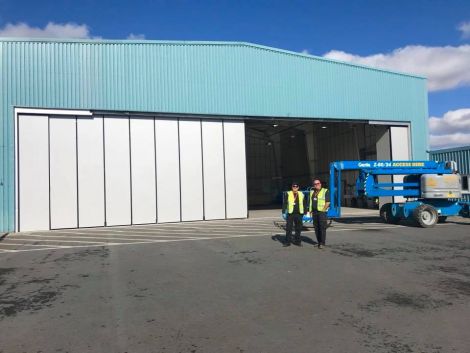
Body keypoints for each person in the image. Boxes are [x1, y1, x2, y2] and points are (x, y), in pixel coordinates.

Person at [282, 181, 307, 247]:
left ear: (298, 187)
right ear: (292, 187)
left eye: (296, 186)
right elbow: (285, 203)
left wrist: (305, 212)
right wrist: (283, 212)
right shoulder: (288, 193)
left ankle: (298, 242)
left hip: (299, 214)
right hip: (290, 213)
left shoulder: (301, 194)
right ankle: (287, 242)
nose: (295, 188)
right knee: (288, 228)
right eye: (294, 186)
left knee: (298, 228)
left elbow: (304, 203)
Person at [309, 179, 330, 249]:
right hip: (314, 212)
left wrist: (323, 210)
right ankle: (318, 242)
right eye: (315, 184)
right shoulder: (312, 192)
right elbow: (311, 202)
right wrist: (310, 211)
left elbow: (328, 202)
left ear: (320, 184)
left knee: (322, 228)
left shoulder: (325, 191)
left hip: (321, 213)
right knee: (316, 228)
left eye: (318, 183)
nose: (316, 185)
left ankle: (322, 243)